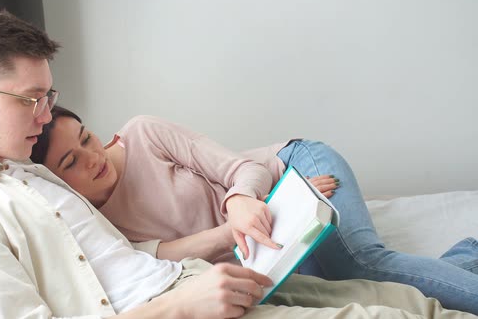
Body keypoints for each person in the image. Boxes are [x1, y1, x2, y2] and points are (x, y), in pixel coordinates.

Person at [0, 11, 476, 319]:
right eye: (31, 100)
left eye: (49, 98)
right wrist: (181, 306)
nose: (44, 115)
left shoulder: (25, 171)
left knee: (414, 304)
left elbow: (129, 257)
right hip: (187, 305)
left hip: (208, 281)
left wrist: (226, 235)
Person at [31, 106, 478, 315]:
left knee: (362, 265)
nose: (92, 157)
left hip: (296, 171)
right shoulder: (97, 226)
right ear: (55, 182)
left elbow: (242, 168)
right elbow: (163, 255)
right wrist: (248, 219)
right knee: (344, 290)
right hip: (269, 227)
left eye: (86, 139)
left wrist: (255, 199)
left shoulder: (143, 134)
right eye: (71, 162)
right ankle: (463, 256)